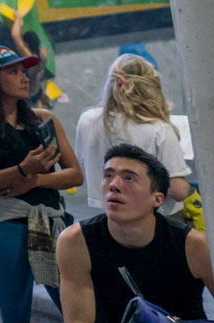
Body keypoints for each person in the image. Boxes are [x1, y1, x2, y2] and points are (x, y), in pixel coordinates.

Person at [0, 44, 82, 323]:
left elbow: (75, 174)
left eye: (23, 71)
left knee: (78, 309)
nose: (24, 77)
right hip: (6, 221)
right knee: (15, 318)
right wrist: (22, 170)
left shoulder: (44, 118)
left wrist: (35, 180)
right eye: (12, 72)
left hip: (51, 220)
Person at [56, 143, 213, 323]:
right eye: (108, 176)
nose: (114, 185)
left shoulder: (193, 245)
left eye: (129, 178)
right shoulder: (76, 242)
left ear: (157, 199)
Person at [75, 54, 191, 212]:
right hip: (148, 223)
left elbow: (83, 161)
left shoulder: (87, 120)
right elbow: (178, 191)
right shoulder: (159, 129)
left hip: (101, 218)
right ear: (151, 88)